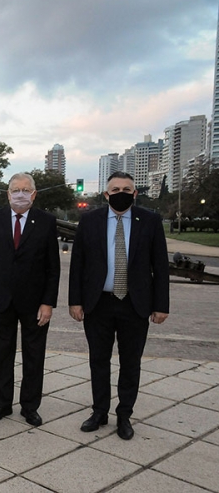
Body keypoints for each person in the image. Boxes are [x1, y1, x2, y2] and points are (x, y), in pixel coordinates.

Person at [69, 171, 169, 440]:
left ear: (135, 193)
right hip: (98, 303)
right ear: (106, 194)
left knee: (130, 363)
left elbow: (160, 266)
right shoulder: (89, 221)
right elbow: (77, 263)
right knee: (98, 361)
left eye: (127, 188)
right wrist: (75, 301)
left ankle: (124, 415)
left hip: (135, 305)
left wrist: (161, 305)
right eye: (115, 189)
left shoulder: (150, 220)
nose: (121, 193)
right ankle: (99, 412)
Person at [0, 172, 60, 426]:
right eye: (16, 190)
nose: (21, 194)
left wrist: (48, 302)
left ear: (34, 194)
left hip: (35, 303)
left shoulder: (46, 221)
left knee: (34, 355)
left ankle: (30, 406)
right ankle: (1, 403)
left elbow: (52, 267)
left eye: (26, 190)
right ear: (8, 194)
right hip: (1, 300)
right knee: (3, 353)